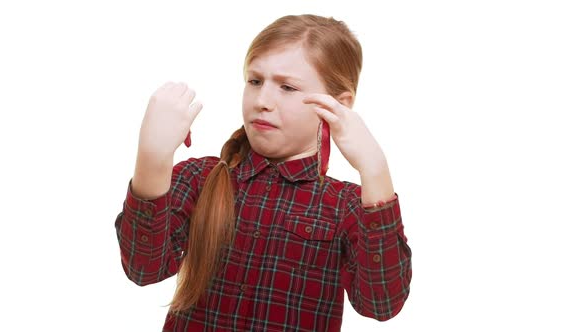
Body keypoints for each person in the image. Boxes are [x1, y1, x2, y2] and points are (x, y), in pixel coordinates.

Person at [114, 13, 412, 332]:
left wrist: (375, 170)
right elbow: (144, 269)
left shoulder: (347, 205)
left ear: (338, 104)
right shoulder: (198, 179)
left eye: (287, 87)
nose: (262, 100)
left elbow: (381, 304)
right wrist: (152, 158)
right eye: (255, 81)